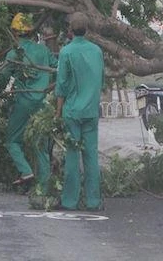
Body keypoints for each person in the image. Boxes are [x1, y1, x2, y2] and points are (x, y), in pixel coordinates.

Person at [0, 13, 56, 192]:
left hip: (24, 102)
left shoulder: (14, 54)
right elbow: (57, 67)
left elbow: (2, 78)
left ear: (15, 33)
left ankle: (26, 171)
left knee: (12, 141)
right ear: (31, 32)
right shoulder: (43, 50)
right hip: (42, 102)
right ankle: (44, 188)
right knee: (40, 143)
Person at [54, 12, 105, 211]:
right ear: (87, 29)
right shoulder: (97, 51)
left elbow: (62, 85)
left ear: (70, 31)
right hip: (92, 111)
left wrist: (57, 112)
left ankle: (70, 201)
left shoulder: (67, 52)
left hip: (73, 112)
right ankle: (93, 201)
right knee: (91, 156)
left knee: (73, 156)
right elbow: (102, 80)